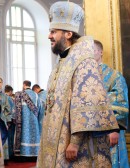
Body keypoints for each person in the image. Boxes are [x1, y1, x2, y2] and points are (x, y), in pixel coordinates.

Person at [37, 2, 119, 167]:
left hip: (74, 145)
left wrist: (74, 142)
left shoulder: (84, 61)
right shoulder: (63, 61)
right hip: (55, 141)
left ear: (68, 34)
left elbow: (88, 102)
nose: (49, 36)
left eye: (53, 32)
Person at [94, 40, 129, 168]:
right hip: (89, 131)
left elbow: (120, 104)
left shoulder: (114, 76)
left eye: (92, 50)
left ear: (100, 52)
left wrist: (115, 129)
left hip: (109, 131)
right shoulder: (83, 76)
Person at [14, 80, 43, 158]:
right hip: (34, 121)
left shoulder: (19, 94)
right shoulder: (36, 95)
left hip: (24, 121)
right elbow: (40, 109)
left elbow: (15, 109)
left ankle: (24, 154)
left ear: (24, 85)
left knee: (25, 136)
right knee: (34, 135)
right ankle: (34, 154)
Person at [0, 77, 13, 162]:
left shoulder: (4, 96)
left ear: (2, 84)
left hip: (2, 119)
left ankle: (4, 158)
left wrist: (8, 120)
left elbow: (8, 108)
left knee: (4, 136)